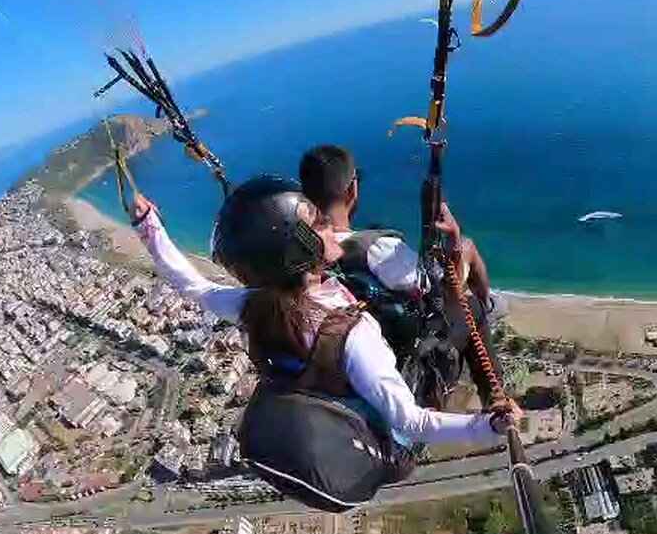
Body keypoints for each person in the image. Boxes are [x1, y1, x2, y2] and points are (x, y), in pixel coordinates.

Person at [130, 176, 520, 508]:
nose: (329, 227)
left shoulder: (254, 305)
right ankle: (492, 385)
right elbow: (411, 422)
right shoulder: (352, 333)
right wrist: (490, 428)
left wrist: (150, 229)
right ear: (299, 249)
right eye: (317, 223)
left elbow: (192, 284)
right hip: (390, 443)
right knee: (465, 310)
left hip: (328, 397)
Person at [298, 144, 502, 405]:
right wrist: (453, 239)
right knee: (471, 293)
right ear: (352, 190)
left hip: (341, 357)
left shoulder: (300, 253)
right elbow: (435, 292)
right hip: (408, 353)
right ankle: (495, 399)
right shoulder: (378, 249)